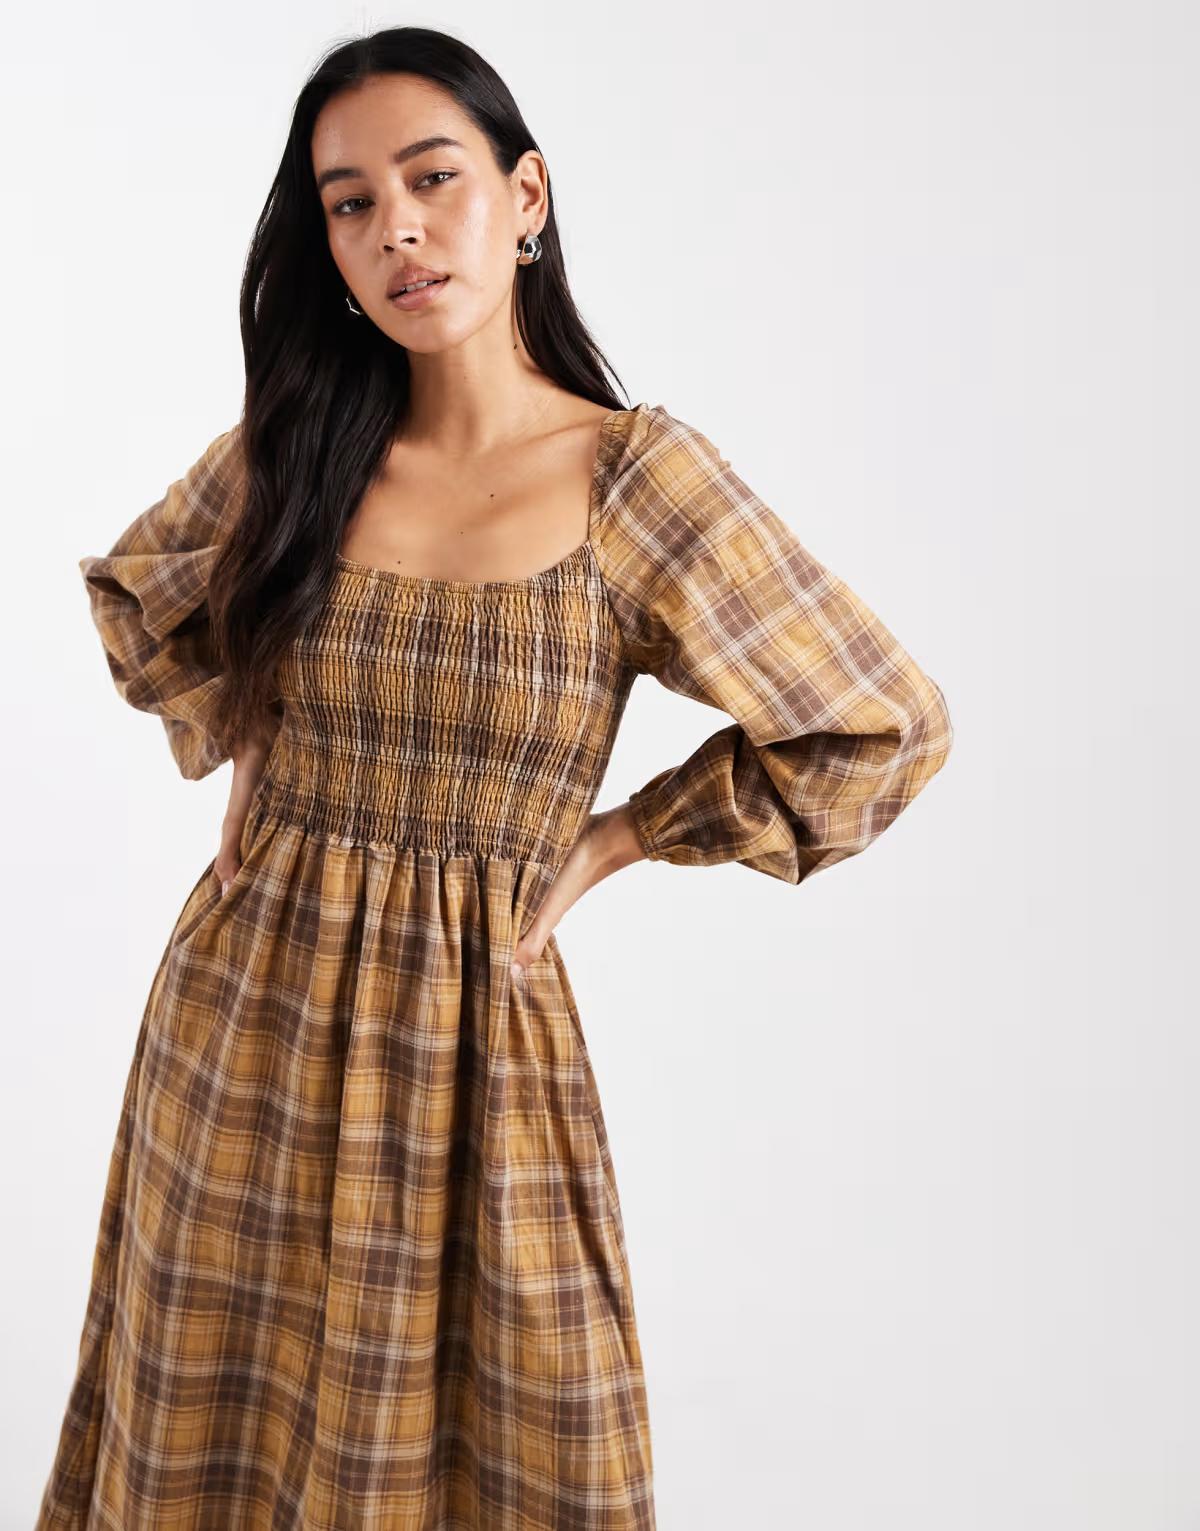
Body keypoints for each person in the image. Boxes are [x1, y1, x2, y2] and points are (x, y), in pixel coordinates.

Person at [36, 25, 953, 1530]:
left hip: (476, 1058)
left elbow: (881, 724)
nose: (395, 227)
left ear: (525, 197)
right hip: (237, 1031)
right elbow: (142, 595)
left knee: (510, 1453)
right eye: (349, 203)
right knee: (212, 1439)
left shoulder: (635, 480)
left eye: (432, 179)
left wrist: (618, 839)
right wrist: (253, 733)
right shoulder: (299, 448)